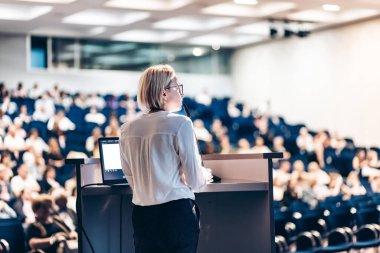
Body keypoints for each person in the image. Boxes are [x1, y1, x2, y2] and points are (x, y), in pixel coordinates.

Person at [119, 64, 212, 253]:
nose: (181, 93)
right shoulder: (180, 123)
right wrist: (205, 175)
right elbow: (195, 181)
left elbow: (131, 178)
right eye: (178, 87)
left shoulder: (127, 129)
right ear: (163, 93)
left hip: (142, 216)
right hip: (176, 214)